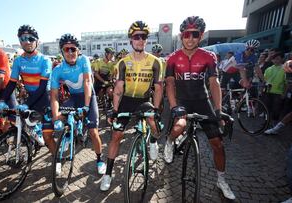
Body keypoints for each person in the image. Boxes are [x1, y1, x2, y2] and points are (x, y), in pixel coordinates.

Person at [164, 16, 235, 199]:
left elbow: (214, 82)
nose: (190, 38)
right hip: (182, 100)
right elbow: (170, 84)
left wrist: (218, 110)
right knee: (179, 126)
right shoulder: (172, 58)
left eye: (195, 35)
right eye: (186, 34)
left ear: (201, 36)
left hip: (203, 102)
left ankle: (221, 180)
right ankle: (170, 142)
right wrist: (173, 107)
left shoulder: (208, 56)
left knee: (217, 144)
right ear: (181, 36)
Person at [100, 21, 163, 191]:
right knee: (116, 136)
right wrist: (114, 109)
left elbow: (158, 87)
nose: (140, 40)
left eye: (143, 37)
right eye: (137, 37)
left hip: (144, 100)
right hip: (127, 101)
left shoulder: (156, 62)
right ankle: (108, 174)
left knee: (153, 124)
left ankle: (153, 142)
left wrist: (156, 109)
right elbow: (119, 88)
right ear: (131, 40)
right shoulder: (123, 62)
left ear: (146, 40)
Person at [50, 33, 106, 175]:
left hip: (88, 96)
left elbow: (87, 82)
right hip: (74, 97)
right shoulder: (57, 70)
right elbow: (54, 95)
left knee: (93, 132)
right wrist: (56, 115)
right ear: (62, 51)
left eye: (73, 49)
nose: (70, 52)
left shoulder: (83, 61)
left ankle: (100, 159)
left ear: (78, 50)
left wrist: (87, 106)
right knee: (61, 119)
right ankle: (67, 139)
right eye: (66, 49)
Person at [0, 25, 53, 149]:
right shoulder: (18, 61)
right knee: (20, 120)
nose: (27, 42)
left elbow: (42, 88)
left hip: (44, 96)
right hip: (31, 95)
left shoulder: (45, 60)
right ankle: (29, 137)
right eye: (23, 38)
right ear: (20, 41)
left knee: (47, 138)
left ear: (37, 41)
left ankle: (55, 157)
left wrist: (27, 103)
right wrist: (2, 100)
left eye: (31, 38)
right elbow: (12, 83)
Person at [261, 51, 286, 124]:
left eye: (278, 58)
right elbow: (264, 80)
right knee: (266, 108)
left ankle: (274, 124)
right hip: (268, 92)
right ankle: (266, 123)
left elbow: (287, 83)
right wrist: (262, 90)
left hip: (278, 93)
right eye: (274, 59)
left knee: (276, 109)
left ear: (282, 59)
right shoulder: (269, 69)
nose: (275, 60)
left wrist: (284, 93)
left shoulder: (285, 69)